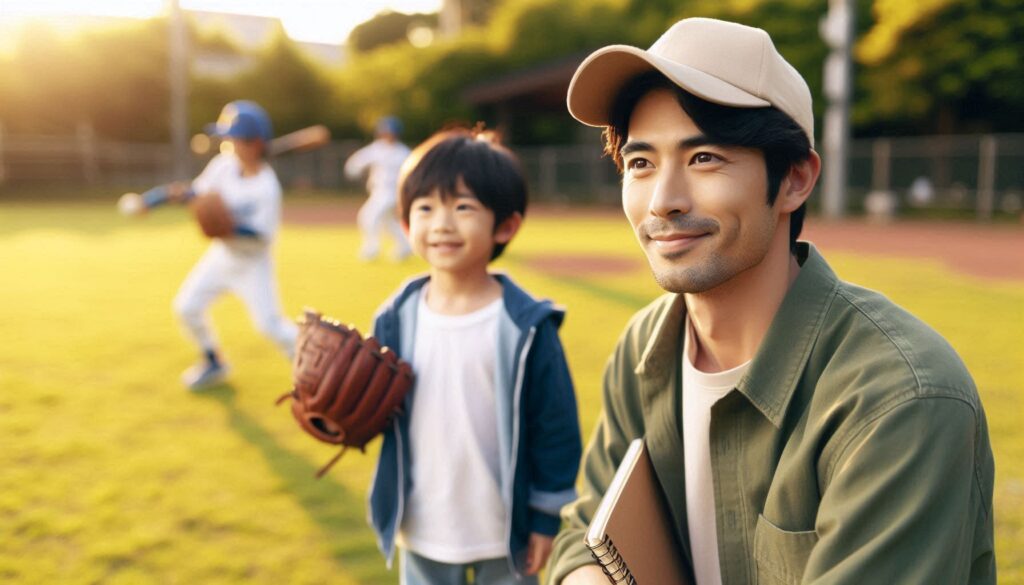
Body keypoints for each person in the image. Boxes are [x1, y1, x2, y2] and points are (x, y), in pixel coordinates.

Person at [547, 17, 995, 585]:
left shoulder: (899, 397)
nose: (662, 201)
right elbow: (585, 525)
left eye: (704, 157)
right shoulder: (645, 347)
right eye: (640, 163)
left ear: (795, 180)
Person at [366, 128, 583, 584]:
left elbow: (556, 425)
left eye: (462, 207)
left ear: (505, 225)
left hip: (504, 530)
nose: (442, 223)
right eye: (425, 208)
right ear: (406, 225)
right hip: (423, 523)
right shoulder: (395, 318)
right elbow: (376, 408)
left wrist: (546, 517)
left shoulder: (526, 327)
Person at [172, 100, 297, 390]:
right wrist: (176, 197)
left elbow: (260, 234)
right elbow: (200, 194)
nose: (226, 144)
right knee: (186, 307)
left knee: (270, 327)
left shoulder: (267, 187)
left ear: (254, 144)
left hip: (252, 263)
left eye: (233, 139)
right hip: (221, 257)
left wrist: (225, 224)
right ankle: (213, 361)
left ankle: (313, 369)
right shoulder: (223, 165)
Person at [344, 115, 413, 261]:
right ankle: (405, 246)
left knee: (368, 216)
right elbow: (358, 161)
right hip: (378, 191)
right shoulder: (377, 148)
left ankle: (371, 248)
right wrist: (353, 170)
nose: (387, 134)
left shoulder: (403, 152)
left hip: (392, 192)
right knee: (387, 222)